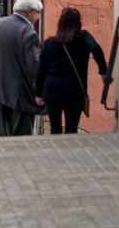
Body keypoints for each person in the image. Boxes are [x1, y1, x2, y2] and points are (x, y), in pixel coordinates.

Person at [35, 7, 108, 135]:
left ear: (60, 23)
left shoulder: (49, 43)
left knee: (55, 128)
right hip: (74, 91)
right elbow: (96, 49)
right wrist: (103, 72)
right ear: (78, 23)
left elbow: (41, 71)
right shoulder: (84, 38)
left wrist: (38, 94)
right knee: (71, 129)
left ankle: (57, 153)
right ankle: (69, 154)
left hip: (52, 91)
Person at [0, 0, 44, 136]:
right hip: (20, 92)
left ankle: (5, 155)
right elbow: (34, 65)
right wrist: (39, 92)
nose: (38, 17)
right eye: (38, 13)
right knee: (21, 133)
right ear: (30, 12)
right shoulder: (28, 32)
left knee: (3, 131)